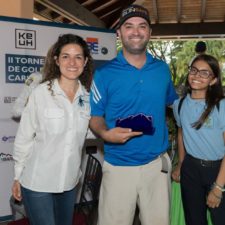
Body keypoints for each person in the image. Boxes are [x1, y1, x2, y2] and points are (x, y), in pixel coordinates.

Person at [89, 4, 178, 225]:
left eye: (142, 26)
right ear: (119, 33)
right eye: (128, 26)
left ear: (149, 32)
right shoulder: (103, 74)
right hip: (118, 166)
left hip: (156, 166)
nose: (135, 31)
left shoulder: (162, 69)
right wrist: (106, 134)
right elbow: (95, 116)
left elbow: (173, 103)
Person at [12, 33, 94, 225]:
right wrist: (17, 176)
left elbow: (88, 132)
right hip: (38, 182)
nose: (72, 62)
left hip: (69, 182)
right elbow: (24, 137)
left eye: (78, 57)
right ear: (56, 60)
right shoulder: (41, 93)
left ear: (85, 61)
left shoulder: (89, 98)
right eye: (66, 56)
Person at [172, 54, 225, 225]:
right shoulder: (179, 105)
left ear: (213, 80)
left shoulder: (221, 105)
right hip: (191, 170)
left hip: (218, 171)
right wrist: (181, 163)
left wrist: (218, 187)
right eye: (194, 70)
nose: (197, 75)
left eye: (205, 73)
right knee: (194, 220)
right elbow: (181, 133)